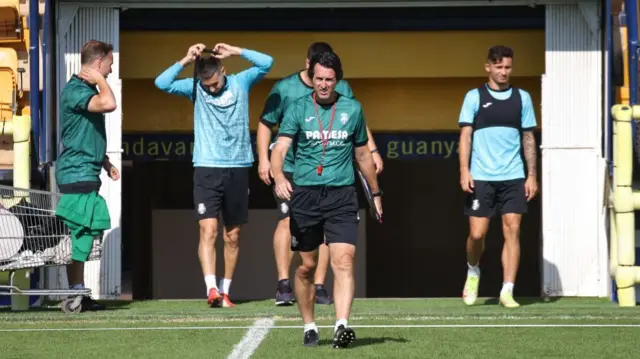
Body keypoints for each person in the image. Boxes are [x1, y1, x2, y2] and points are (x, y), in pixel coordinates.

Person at [257, 42, 384, 307]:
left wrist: (372, 151)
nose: (324, 83)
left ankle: (319, 284)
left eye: (329, 78)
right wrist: (266, 163)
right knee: (285, 219)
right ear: (308, 66)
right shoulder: (286, 89)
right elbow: (267, 125)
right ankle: (283, 283)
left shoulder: (344, 92)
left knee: (330, 235)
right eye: (319, 76)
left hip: (332, 176)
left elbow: (355, 123)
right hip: (293, 168)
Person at [155, 43, 273, 308]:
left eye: (215, 83)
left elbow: (267, 62)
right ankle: (211, 289)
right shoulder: (195, 88)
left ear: (224, 70)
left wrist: (236, 51)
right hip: (207, 167)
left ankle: (226, 290)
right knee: (208, 230)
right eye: (206, 84)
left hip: (239, 166)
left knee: (233, 235)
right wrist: (186, 59)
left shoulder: (241, 82)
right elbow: (161, 83)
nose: (211, 88)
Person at [458, 45, 538, 309]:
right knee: (477, 234)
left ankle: (507, 290)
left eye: (508, 67)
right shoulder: (474, 97)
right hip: (481, 177)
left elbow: (528, 137)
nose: (504, 72)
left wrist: (532, 176)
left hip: (514, 176)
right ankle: (473, 270)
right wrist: (464, 170)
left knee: (513, 230)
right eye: (499, 67)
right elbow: (465, 136)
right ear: (488, 67)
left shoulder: (522, 98)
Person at [55, 40, 119, 311]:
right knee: (80, 232)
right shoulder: (75, 91)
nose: (110, 72)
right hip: (75, 172)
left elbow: (85, 133)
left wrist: (105, 163)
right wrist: (99, 81)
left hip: (87, 170)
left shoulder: (85, 90)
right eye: (108, 66)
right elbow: (109, 103)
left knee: (82, 232)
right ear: (97, 63)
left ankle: (78, 292)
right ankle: (75, 293)